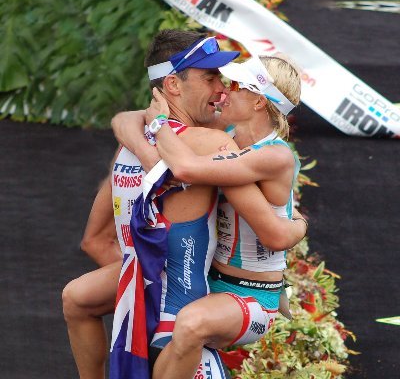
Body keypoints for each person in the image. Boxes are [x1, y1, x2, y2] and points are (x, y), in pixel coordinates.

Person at [62, 29, 306, 379]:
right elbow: (276, 231)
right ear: (173, 85)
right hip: (187, 313)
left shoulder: (129, 145)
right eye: (212, 78)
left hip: (195, 305)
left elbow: (94, 239)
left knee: (76, 297)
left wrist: (143, 289)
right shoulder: (215, 142)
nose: (222, 89)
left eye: (229, 83)